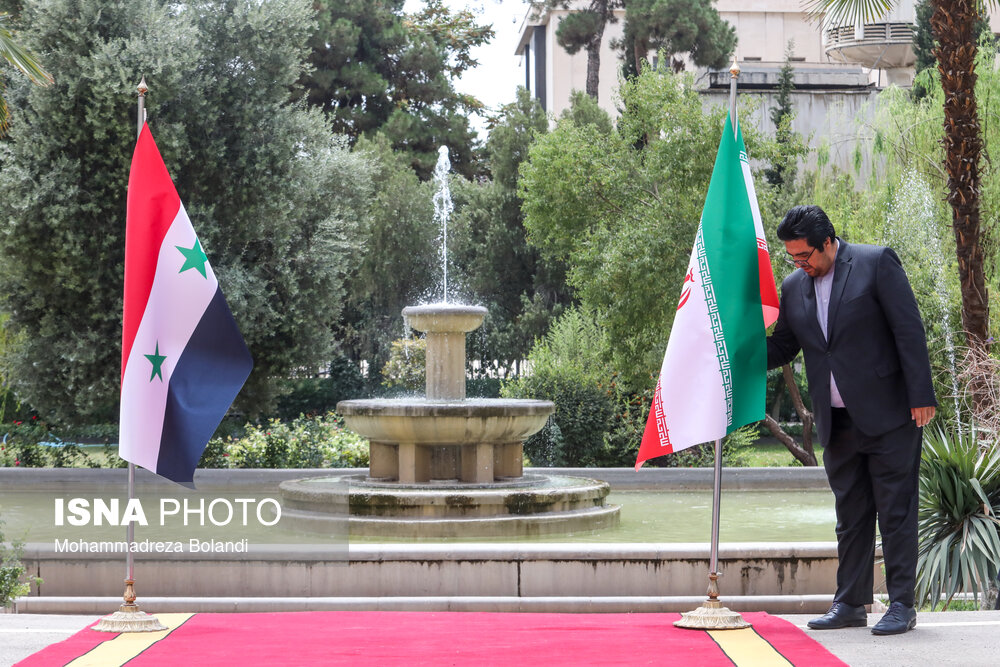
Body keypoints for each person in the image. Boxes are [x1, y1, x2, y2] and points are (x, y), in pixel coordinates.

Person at [766, 205, 936, 636]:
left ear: (828, 242)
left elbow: (908, 330)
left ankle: (901, 604)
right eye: (792, 258)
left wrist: (921, 395)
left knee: (896, 511)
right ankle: (850, 603)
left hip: (890, 414)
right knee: (851, 513)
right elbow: (784, 346)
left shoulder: (876, 263)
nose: (800, 265)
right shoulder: (793, 286)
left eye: (805, 256)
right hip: (836, 422)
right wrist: (735, 348)